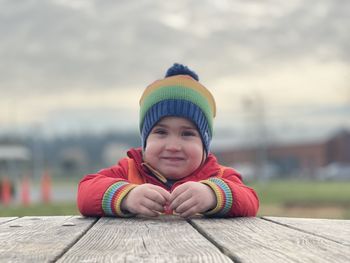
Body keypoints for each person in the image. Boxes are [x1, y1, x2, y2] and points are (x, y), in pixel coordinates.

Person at [77, 63, 259, 218]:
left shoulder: (218, 176)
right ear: (145, 140)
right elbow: (85, 193)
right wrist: (126, 196)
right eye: (161, 132)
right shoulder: (130, 170)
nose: (173, 146)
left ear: (205, 145)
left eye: (187, 134)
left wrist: (212, 194)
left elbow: (250, 200)